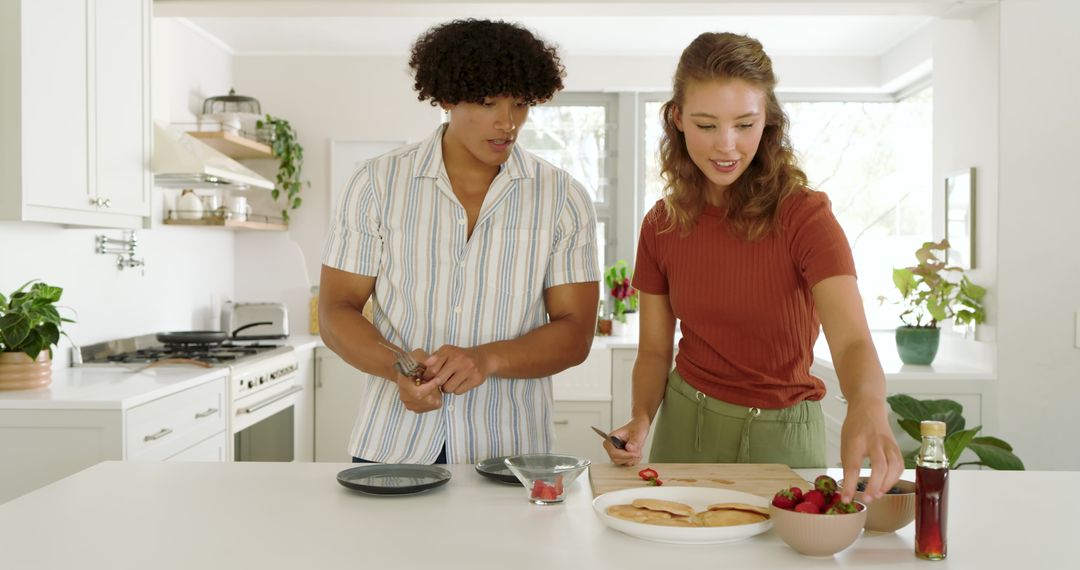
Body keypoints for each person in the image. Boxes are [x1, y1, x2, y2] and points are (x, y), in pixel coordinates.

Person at [602, 32, 903, 503]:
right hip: (684, 429)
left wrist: (868, 405)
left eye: (745, 124)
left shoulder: (805, 217)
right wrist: (642, 416)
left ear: (769, 122)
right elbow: (656, 351)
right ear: (677, 118)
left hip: (782, 437)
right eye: (706, 125)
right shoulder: (661, 224)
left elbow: (852, 340)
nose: (727, 146)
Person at [320, 19, 600, 465]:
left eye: (521, 104)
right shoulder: (375, 183)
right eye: (488, 103)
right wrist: (398, 368)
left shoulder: (563, 197)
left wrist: (487, 359)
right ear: (447, 97)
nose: (508, 123)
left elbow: (575, 333)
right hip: (393, 445)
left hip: (512, 453)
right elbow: (335, 311)